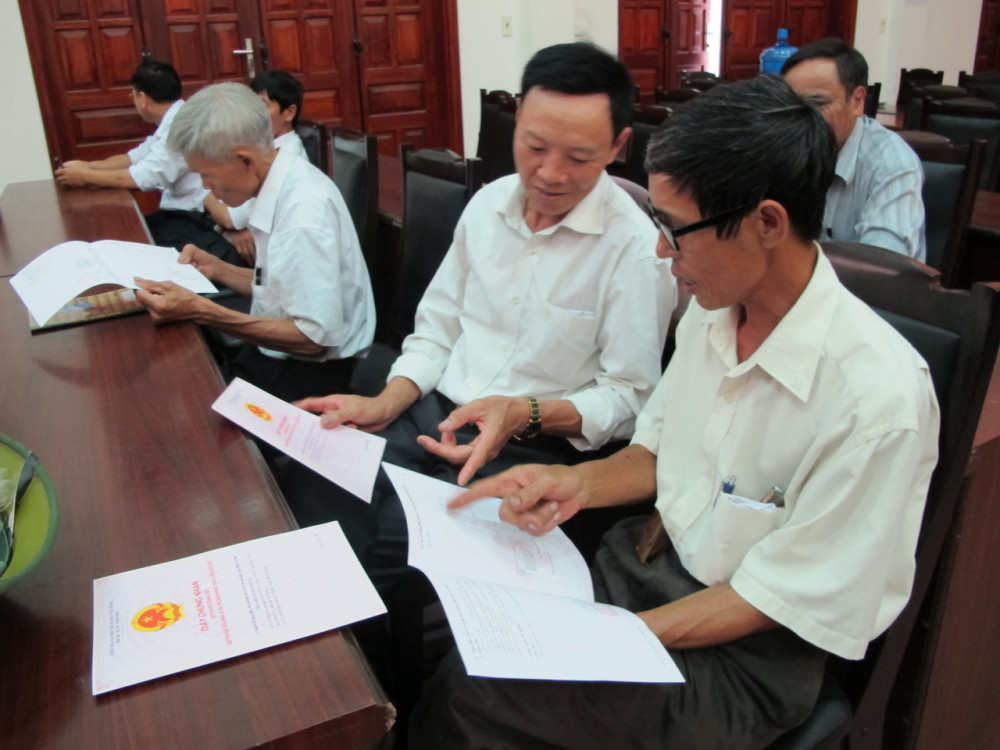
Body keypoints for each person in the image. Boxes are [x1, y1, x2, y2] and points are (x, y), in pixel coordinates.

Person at [410, 75, 940, 749]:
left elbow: (777, 598)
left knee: (477, 695)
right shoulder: (716, 313)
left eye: (674, 229)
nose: (661, 251)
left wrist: (604, 636)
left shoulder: (876, 400)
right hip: (642, 569)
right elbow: (658, 453)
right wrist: (571, 482)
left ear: (767, 223)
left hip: (742, 655)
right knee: (462, 638)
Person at [285, 42, 674, 576]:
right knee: (312, 479)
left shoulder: (636, 250)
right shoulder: (488, 205)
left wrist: (522, 413)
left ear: (618, 145)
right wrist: (387, 401)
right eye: (534, 147)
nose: (550, 173)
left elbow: (630, 397)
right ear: (517, 120)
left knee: (382, 537)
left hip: (534, 449)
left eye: (578, 158)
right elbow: (438, 329)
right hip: (435, 413)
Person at [132, 82, 375, 403]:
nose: (205, 187)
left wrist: (205, 311)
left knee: (183, 402)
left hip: (309, 372)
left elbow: (314, 339)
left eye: (207, 174)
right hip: (278, 352)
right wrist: (218, 269)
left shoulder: (302, 214)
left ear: (245, 160)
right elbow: (282, 287)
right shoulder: (279, 177)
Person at [54, 61, 238, 262]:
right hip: (181, 215)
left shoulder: (183, 125)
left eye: (132, 95)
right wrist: (90, 166)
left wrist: (85, 177)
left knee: (125, 241)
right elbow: (135, 157)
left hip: (195, 219)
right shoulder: (176, 118)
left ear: (142, 98)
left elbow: (144, 178)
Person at [781, 38, 926, 261]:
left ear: (857, 101)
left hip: (860, 283)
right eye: (791, 105)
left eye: (817, 104)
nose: (800, 118)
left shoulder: (892, 164)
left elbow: (882, 267)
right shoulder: (782, 146)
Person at [204, 70, 309, 265]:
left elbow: (229, 218)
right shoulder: (261, 148)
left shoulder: (283, 157)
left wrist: (206, 198)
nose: (253, 116)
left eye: (262, 106)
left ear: (289, 112)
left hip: (263, 256)